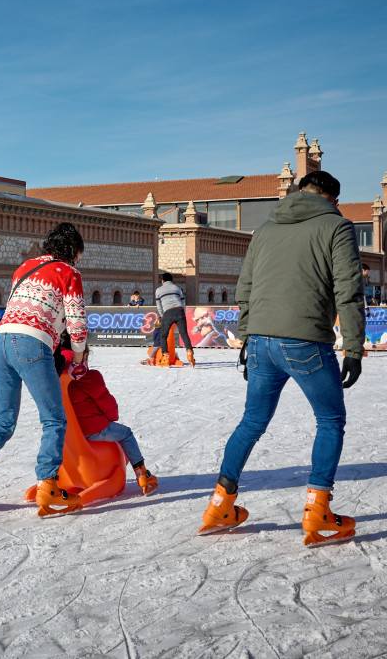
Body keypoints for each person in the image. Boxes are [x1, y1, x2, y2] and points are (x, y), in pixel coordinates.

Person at [198, 169, 364, 547]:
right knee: (330, 419)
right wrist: (353, 347)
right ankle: (318, 510)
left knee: (252, 422)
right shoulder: (336, 227)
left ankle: (220, 504)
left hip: (260, 340)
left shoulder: (266, 228)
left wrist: (246, 336)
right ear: (332, 199)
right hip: (304, 340)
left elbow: (245, 287)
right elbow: (349, 291)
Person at [0, 222, 88, 517]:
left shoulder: (24, 267)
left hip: (0, 342)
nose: (78, 261)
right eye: (78, 255)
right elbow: (77, 323)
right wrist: (78, 360)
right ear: (71, 251)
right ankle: (49, 485)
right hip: (30, 343)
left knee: (4, 420)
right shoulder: (69, 273)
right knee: (54, 419)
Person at [55, 335, 158, 495]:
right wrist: (111, 417)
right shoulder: (90, 377)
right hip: (93, 430)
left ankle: (53, 479)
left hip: (66, 436)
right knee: (126, 434)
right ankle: (142, 473)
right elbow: (108, 406)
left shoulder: (56, 377)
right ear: (85, 356)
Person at [155, 272, 195, 366]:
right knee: (184, 334)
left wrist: (163, 315)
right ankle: (190, 354)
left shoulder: (158, 290)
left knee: (163, 336)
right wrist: (183, 314)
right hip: (179, 310)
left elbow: (159, 306)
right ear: (172, 280)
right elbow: (183, 302)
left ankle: (165, 356)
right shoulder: (177, 288)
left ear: (162, 281)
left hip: (168, 312)